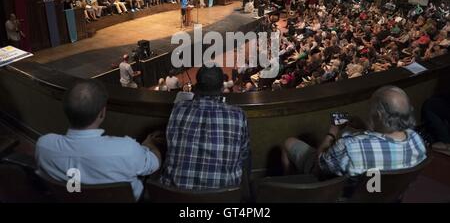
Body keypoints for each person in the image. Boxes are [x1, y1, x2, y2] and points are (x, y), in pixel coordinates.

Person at [35, 80, 162, 201]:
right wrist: (150, 144)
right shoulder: (127, 149)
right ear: (102, 113)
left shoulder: (43, 146)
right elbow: (155, 163)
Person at [281, 86, 427, 178]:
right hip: (385, 194)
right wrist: (365, 127)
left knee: (289, 143)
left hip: (344, 193)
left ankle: (293, 184)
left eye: (371, 109)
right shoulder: (417, 141)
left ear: (380, 116)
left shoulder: (350, 146)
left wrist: (332, 132)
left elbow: (320, 164)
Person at [160, 66, 250, 190]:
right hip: (223, 196)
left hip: (176, 194)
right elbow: (244, 154)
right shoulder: (238, 114)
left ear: (197, 86)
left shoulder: (179, 109)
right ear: (221, 88)